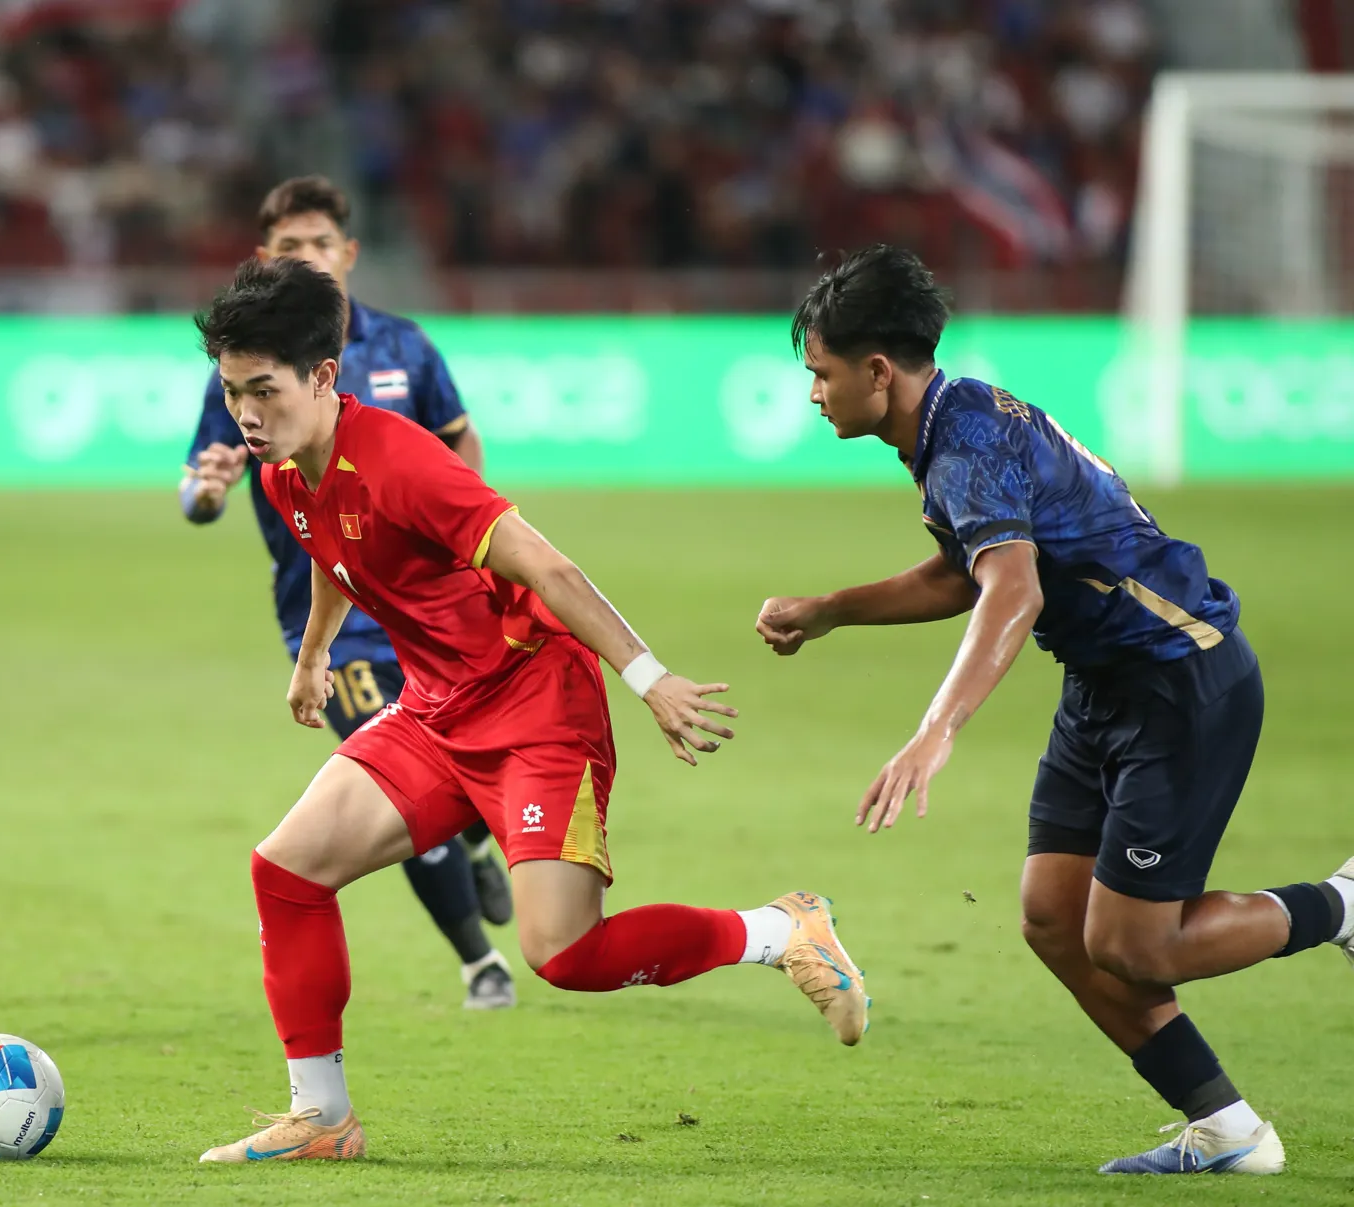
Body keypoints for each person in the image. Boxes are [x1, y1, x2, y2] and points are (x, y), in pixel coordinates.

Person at [194, 256, 869, 1164]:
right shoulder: (282, 472)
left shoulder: (403, 461)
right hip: (435, 713)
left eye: (262, 390)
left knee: (563, 953)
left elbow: (547, 566)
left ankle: (781, 930)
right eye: (231, 390)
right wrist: (315, 657)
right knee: (286, 871)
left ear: (322, 375)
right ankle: (322, 1116)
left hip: (536, 710)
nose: (243, 413)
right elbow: (333, 551)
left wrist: (649, 678)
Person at [758, 244, 1354, 1176]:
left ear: (876, 371)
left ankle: (1341, 905)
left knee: (1132, 943)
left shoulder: (963, 442)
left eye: (820, 373)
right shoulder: (950, 423)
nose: (812, 394)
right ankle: (1228, 1129)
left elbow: (1013, 588)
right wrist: (833, 609)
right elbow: (968, 571)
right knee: (1052, 916)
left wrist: (935, 730)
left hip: (1179, 679)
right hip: (1103, 683)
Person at [183, 176, 516, 1011]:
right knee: (387, 771)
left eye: (320, 244)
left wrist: (469, 533)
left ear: (349, 252)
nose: (307, 258)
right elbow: (198, 488)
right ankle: (480, 961)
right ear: (266, 257)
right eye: (289, 247)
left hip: (430, 608)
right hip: (337, 617)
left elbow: (459, 441)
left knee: (457, 756)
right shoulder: (250, 363)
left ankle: (477, 838)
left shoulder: (405, 346)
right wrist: (208, 492)